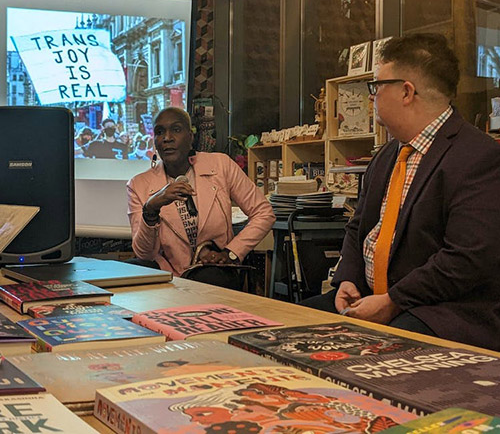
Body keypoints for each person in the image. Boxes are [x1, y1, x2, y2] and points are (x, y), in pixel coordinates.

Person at [302, 33, 500, 351]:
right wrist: (347, 280)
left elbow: (466, 259)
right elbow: (358, 228)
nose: (371, 98)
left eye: (376, 86)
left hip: (439, 312)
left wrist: (393, 301)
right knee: (286, 328)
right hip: (373, 298)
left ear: (406, 91)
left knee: (366, 352)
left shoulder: (479, 157)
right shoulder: (387, 155)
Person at [126, 107, 275, 288]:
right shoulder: (139, 184)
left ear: (191, 137)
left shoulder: (220, 165)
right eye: (159, 132)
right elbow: (145, 254)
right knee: (127, 272)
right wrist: (151, 209)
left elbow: (264, 213)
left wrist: (231, 252)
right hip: (168, 274)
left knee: (209, 279)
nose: (167, 138)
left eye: (176, 129)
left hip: (214, 270)